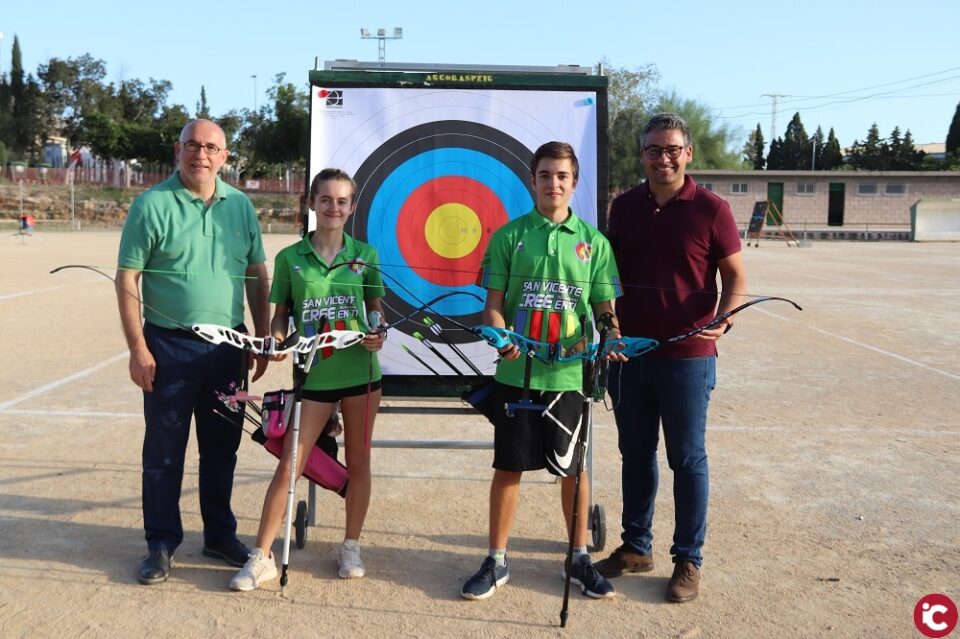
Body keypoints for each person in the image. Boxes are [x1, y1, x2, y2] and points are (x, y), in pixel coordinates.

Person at [595, 113, 748, 603]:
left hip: (689, 356)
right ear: (641, 155)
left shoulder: (712, 209)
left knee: (687, 458)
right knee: (635, 453)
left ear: (688, 154)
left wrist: (725, 318)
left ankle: (689, 559)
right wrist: (611, 330)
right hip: (630, 355)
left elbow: (736, 279)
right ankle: (637, 547)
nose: (663, 158)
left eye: (672, 149)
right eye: (653, 150)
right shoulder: (623, 208)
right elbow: (606, 279)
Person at [461, 141, 624, 601]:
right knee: (508, 468)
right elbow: (492, 311)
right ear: (532, 181)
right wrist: (500, 336)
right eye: (545, 175)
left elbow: (605, 311)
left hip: (570, 377)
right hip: (517, 377)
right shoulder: (509, 237)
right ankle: (496, 561)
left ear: (574, 183)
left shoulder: (595, 244)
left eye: (562, 177)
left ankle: (578, 559)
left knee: (573, 470)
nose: (554, 183)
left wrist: (611, 338)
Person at [115, 119, 271, 585]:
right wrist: (138, 347)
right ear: (177, 150)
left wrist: (261, 336)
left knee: (222, 450)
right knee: (164, 452)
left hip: (229, 349)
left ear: (225, 156)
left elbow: (258, 275)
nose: (201, 154)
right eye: (192, 145)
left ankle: (220, 535)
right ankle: (161, 543)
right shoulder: (151, 205)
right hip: (167, 348)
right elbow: (127, 279)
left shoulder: (241, 206)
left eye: (211, 147)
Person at [229, 168, 386, 591]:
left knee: (360, 463)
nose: (333, 208)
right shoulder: (289, 258)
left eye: (341, 201)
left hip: (362, 377)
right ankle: (261, 556)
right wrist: (276, 339)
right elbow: (281, 317)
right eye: (325, 200)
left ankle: (351, 544)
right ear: (311, 204)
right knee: (290, 465)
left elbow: (375, 311)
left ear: (352, 207)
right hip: (315, 377)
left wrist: (377, 332)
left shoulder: (366, 256)